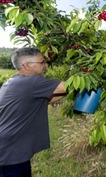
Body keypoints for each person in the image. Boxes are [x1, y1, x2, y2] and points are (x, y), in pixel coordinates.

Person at [0, 47, 66, 177]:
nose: (46, 65)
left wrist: (68, 91)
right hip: (10, 155)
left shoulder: (14, 81)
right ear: (27, 66)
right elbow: (68, 86)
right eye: (42, 62)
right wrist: (88, 78)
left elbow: (48, 99)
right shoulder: (31, 82)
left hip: (11, 149)